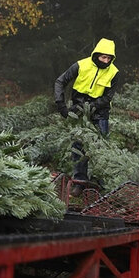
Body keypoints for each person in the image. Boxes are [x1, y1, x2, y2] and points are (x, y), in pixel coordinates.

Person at [54, 38, 120, 197]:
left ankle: (100, 184)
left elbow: (108, 97)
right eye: (102, 57)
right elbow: (60, 81)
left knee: (100, 149)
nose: (105, 61)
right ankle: (79, 182)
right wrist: (61, 104)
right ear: (96, 55)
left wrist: (91, 107)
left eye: (108, 58)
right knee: (78, 147)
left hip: (100, 112)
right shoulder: (80, 65)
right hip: (78, 110)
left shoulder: (114, 72)